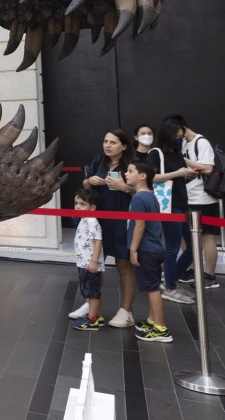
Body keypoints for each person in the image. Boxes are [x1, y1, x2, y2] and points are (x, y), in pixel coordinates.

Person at [78, 128, 136, 327]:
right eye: (105, 141)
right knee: (95, 264)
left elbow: (142, 192)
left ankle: (126, 311)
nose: (108, 145)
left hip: (122, 220)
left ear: (124, 146)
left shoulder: (131, 165)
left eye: (113, 142)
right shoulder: (98, 160)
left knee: (123, 264)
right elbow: (86, 187)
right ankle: (92, 306)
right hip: (98, 221)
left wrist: (125, 188)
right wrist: (89, 181)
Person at [168, 114, 220, 289]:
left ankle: (210, 275)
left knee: (206, 237)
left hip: (203, 198)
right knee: (187, 237)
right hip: (187, 197)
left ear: (182, 127)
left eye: (175, 131)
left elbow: (207, 169)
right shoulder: (182, 143)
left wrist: (184, 161)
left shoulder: (201, 142)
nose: (174, 136)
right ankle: (190, 269)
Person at [124, 160, 173, 342]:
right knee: (152, 286)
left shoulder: (138, 198)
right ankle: (153, 321)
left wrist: (133, 249)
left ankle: (161, 329)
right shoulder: (150, 196)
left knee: (152, 289)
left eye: (130, 171)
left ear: (142, 176)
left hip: (147, 249)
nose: (126, 174)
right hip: (155, 248)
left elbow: (139, 225)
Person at [147, 120, 195, 304]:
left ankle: (171, 279)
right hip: (170, 204)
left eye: (181, 137)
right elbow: (150, 178)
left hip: (183, 203)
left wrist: (189, 174)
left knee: (192, 247)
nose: (180, 140)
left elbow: (179, 177)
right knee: (172, 247)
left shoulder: (177, 154)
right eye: (177, 137)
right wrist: (177, 174)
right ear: (168, 136)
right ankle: (170, 286)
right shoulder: (156, 153)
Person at [69, 189, 106, 330]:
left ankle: (92, 319)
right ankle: (96, 316)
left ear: (92, 207)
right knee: (88, 290)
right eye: (76, 203)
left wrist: (94, 261)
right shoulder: (84, 219)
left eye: (82, 204)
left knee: (93, 292)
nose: (78, 206)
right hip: (84, 262)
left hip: (90, 263)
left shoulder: (92, 221)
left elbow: (98, 241)